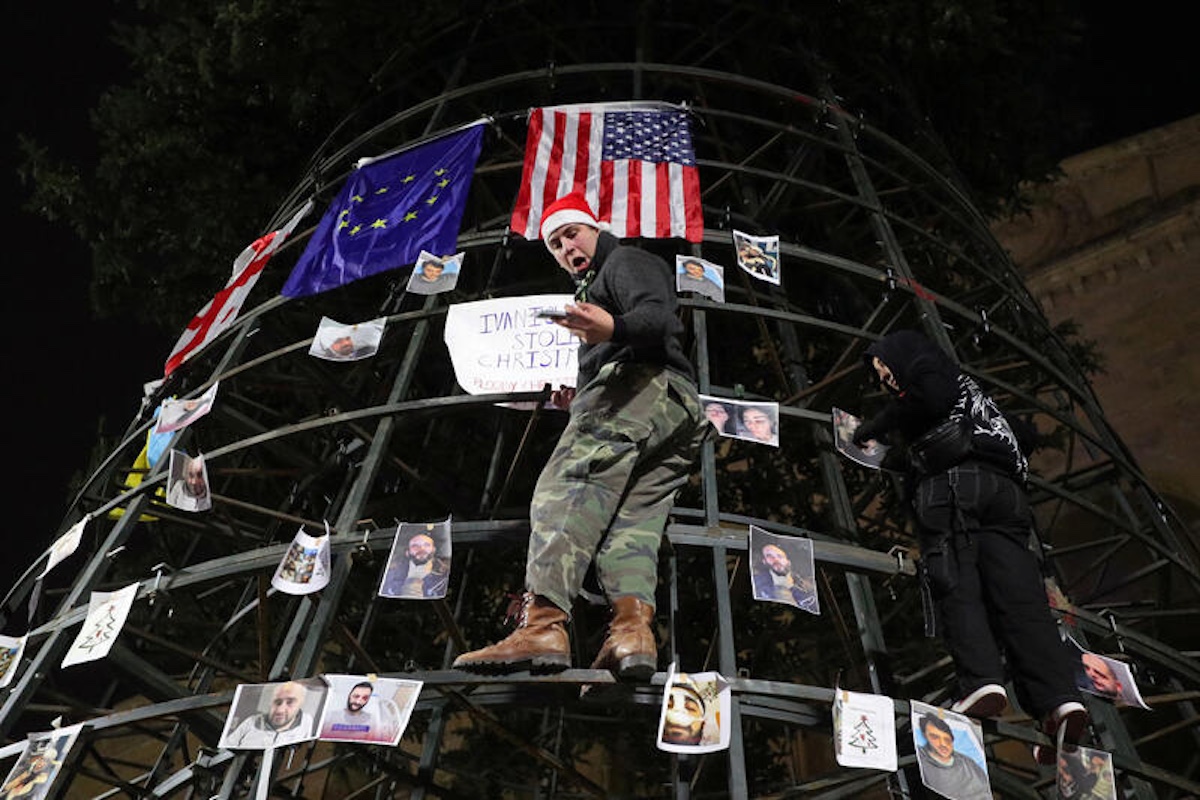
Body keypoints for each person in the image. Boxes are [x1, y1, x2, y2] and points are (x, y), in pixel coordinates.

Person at [452, 193, 711, 678]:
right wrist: (586, 390)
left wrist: (613, 327)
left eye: (572, 233)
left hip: (638, 389)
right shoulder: (594, 291)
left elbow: (660, 316)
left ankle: (544, 624)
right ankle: (633, 633)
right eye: (554, 243)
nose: (567, 247)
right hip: (675, 415)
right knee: (633, 528)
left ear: (596, 228)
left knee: (565, 492)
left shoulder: (625, 260)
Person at [852, 330, 1087, 746]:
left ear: (899, 355)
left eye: (884, 367)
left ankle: (980, 680)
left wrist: (876, 426)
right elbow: (1024, 434)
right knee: (1020, 598)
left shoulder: (928, 367)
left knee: (955, 580)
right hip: (1008, 497)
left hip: (956, 486)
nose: (885, 379)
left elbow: (930, 399)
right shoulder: (975, 394)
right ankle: (1059, 700)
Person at [915, 713, 991, 800]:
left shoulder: (968, 763)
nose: (943, 744)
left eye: (947, 739)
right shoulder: (920, 757)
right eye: (935, 737)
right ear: (925, 736)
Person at [225, 681, 313, 749]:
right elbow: (228, 746)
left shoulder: (307, 724)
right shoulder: (252, 722)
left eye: (290, 702)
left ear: (300, 703)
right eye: (277, 702)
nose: (280, 710)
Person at [319, 681, 398, 743]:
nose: (358, 701)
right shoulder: (330, 716)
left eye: (364, 698)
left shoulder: (374, 720)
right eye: (356, 696)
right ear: (349, 695)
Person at [380, 533, 449, 598]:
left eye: (427, 545)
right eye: (415, 546)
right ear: (407, 552)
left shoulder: (444, 575)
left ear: (433, 550)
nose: (422, 549)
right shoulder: (391, 573)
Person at [752, 543, 817, 612]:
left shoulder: (810, 585)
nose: (775, 559)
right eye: (769, 556)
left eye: (780, 556)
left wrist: (791, 587)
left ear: (788, 562)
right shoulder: (758, 585)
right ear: (764, 561)